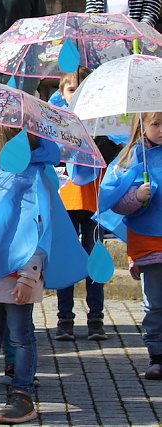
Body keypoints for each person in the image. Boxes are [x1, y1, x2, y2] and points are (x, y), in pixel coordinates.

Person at [0, 125, 88, 424]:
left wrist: (30, 275)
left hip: (17, 278)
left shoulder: (33, 178)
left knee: (20, 337)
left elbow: (39, 228)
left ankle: (21, 395)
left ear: (13, 147)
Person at [51, 68, 121, 342]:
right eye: (72, 90)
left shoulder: (104, 126)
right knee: (66, 258)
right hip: (66, 202)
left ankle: (96, 319)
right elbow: (52, 160)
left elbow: (114, 159)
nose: (78, 95)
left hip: (94, 205)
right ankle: (64, 318)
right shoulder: (55, 124)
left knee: (95, 259)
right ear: (61, 94)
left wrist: (97, 138)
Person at [98, 112, 162, 380]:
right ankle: (157, 354)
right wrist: (136, 196)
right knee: (155, 301)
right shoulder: (133, 157)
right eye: (156, 123)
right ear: (142, 125)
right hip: (149, 242)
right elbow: (115, 199)